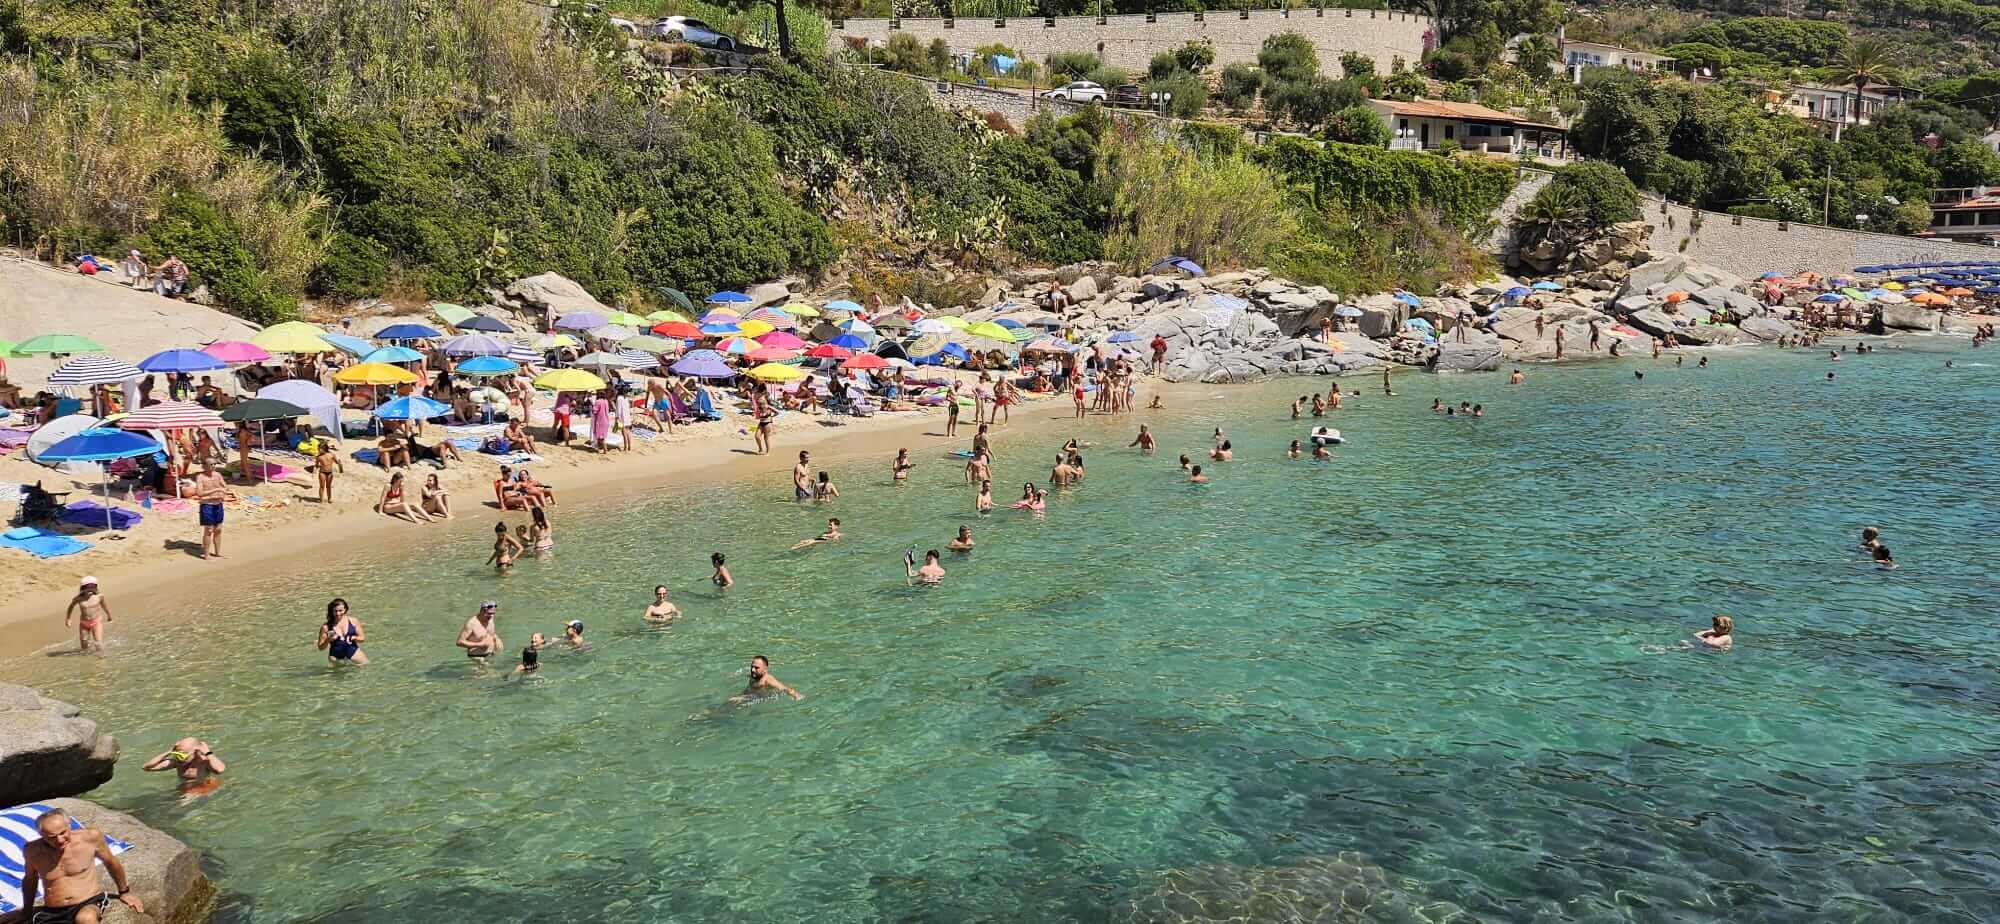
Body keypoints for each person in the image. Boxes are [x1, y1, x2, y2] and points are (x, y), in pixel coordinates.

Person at [9, 807, 146, 924]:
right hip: (53, 910)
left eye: (63, 833)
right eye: (52, 837)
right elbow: (30, 879)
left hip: (87, 902)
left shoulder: (90, 838)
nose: (60, 840)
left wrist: (124, 892)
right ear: (41, 835)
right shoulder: (32, 850)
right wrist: (26, 910)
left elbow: (111, 862)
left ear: (69, 826)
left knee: (85, 918)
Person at [142, 737, 225, 784]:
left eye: (182, 755)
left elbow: (220, 770)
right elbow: (146, 767)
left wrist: (207, 752)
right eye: (176, 754)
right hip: (185, 791)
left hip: (203, 788)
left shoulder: (204, 761)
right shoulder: (177, 762)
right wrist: (170, 751)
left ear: (196, 752)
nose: (178, 758)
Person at [62, 577, 111, 654]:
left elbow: (104, 606)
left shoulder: (99, 596)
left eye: (92, 589)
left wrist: (109, 615)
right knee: (84, 645)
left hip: (96, 622)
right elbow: (70, 607)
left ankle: (100, 661)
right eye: (87, 589)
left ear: (95, 588)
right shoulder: (78, 599)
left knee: (98, 643)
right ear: (82, 589)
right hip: (84, 623)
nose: (89, 591)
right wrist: (68, 619)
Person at [190, 460, 227, 560]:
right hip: (207, 505)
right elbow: (200, 493)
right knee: (209, 530)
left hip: (218, 503)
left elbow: (224, 486)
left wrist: (223, 494)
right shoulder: (200, 477)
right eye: (211, 464)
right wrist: (216, 490)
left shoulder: (218, 475)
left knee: (218, 529)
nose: (213, 466)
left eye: (215, 464)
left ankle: (217, 552)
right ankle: (206, 554)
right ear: (204, 466)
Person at [316, 598, 368, 665]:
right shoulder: (326, 627)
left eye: (340, 610)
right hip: (335, 657)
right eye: (335, 611)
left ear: (345, 610)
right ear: (332, 611)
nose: (338, 613)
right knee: (338, 674)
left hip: (353, 652)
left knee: (366, 667)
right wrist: (328, 639)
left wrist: (353, 638)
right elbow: (320, 648)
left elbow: (362, 638)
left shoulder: (353, 621)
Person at [734, 655, 802, 702]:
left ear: (765, 669)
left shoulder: (768, 680)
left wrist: (796, 695)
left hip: (758, 698)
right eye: (752, 667)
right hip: (748, 695)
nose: (753, 670)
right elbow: (747, 675)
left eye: (756, 668)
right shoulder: (754, 675)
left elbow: (784, 688)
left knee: (732, 701)